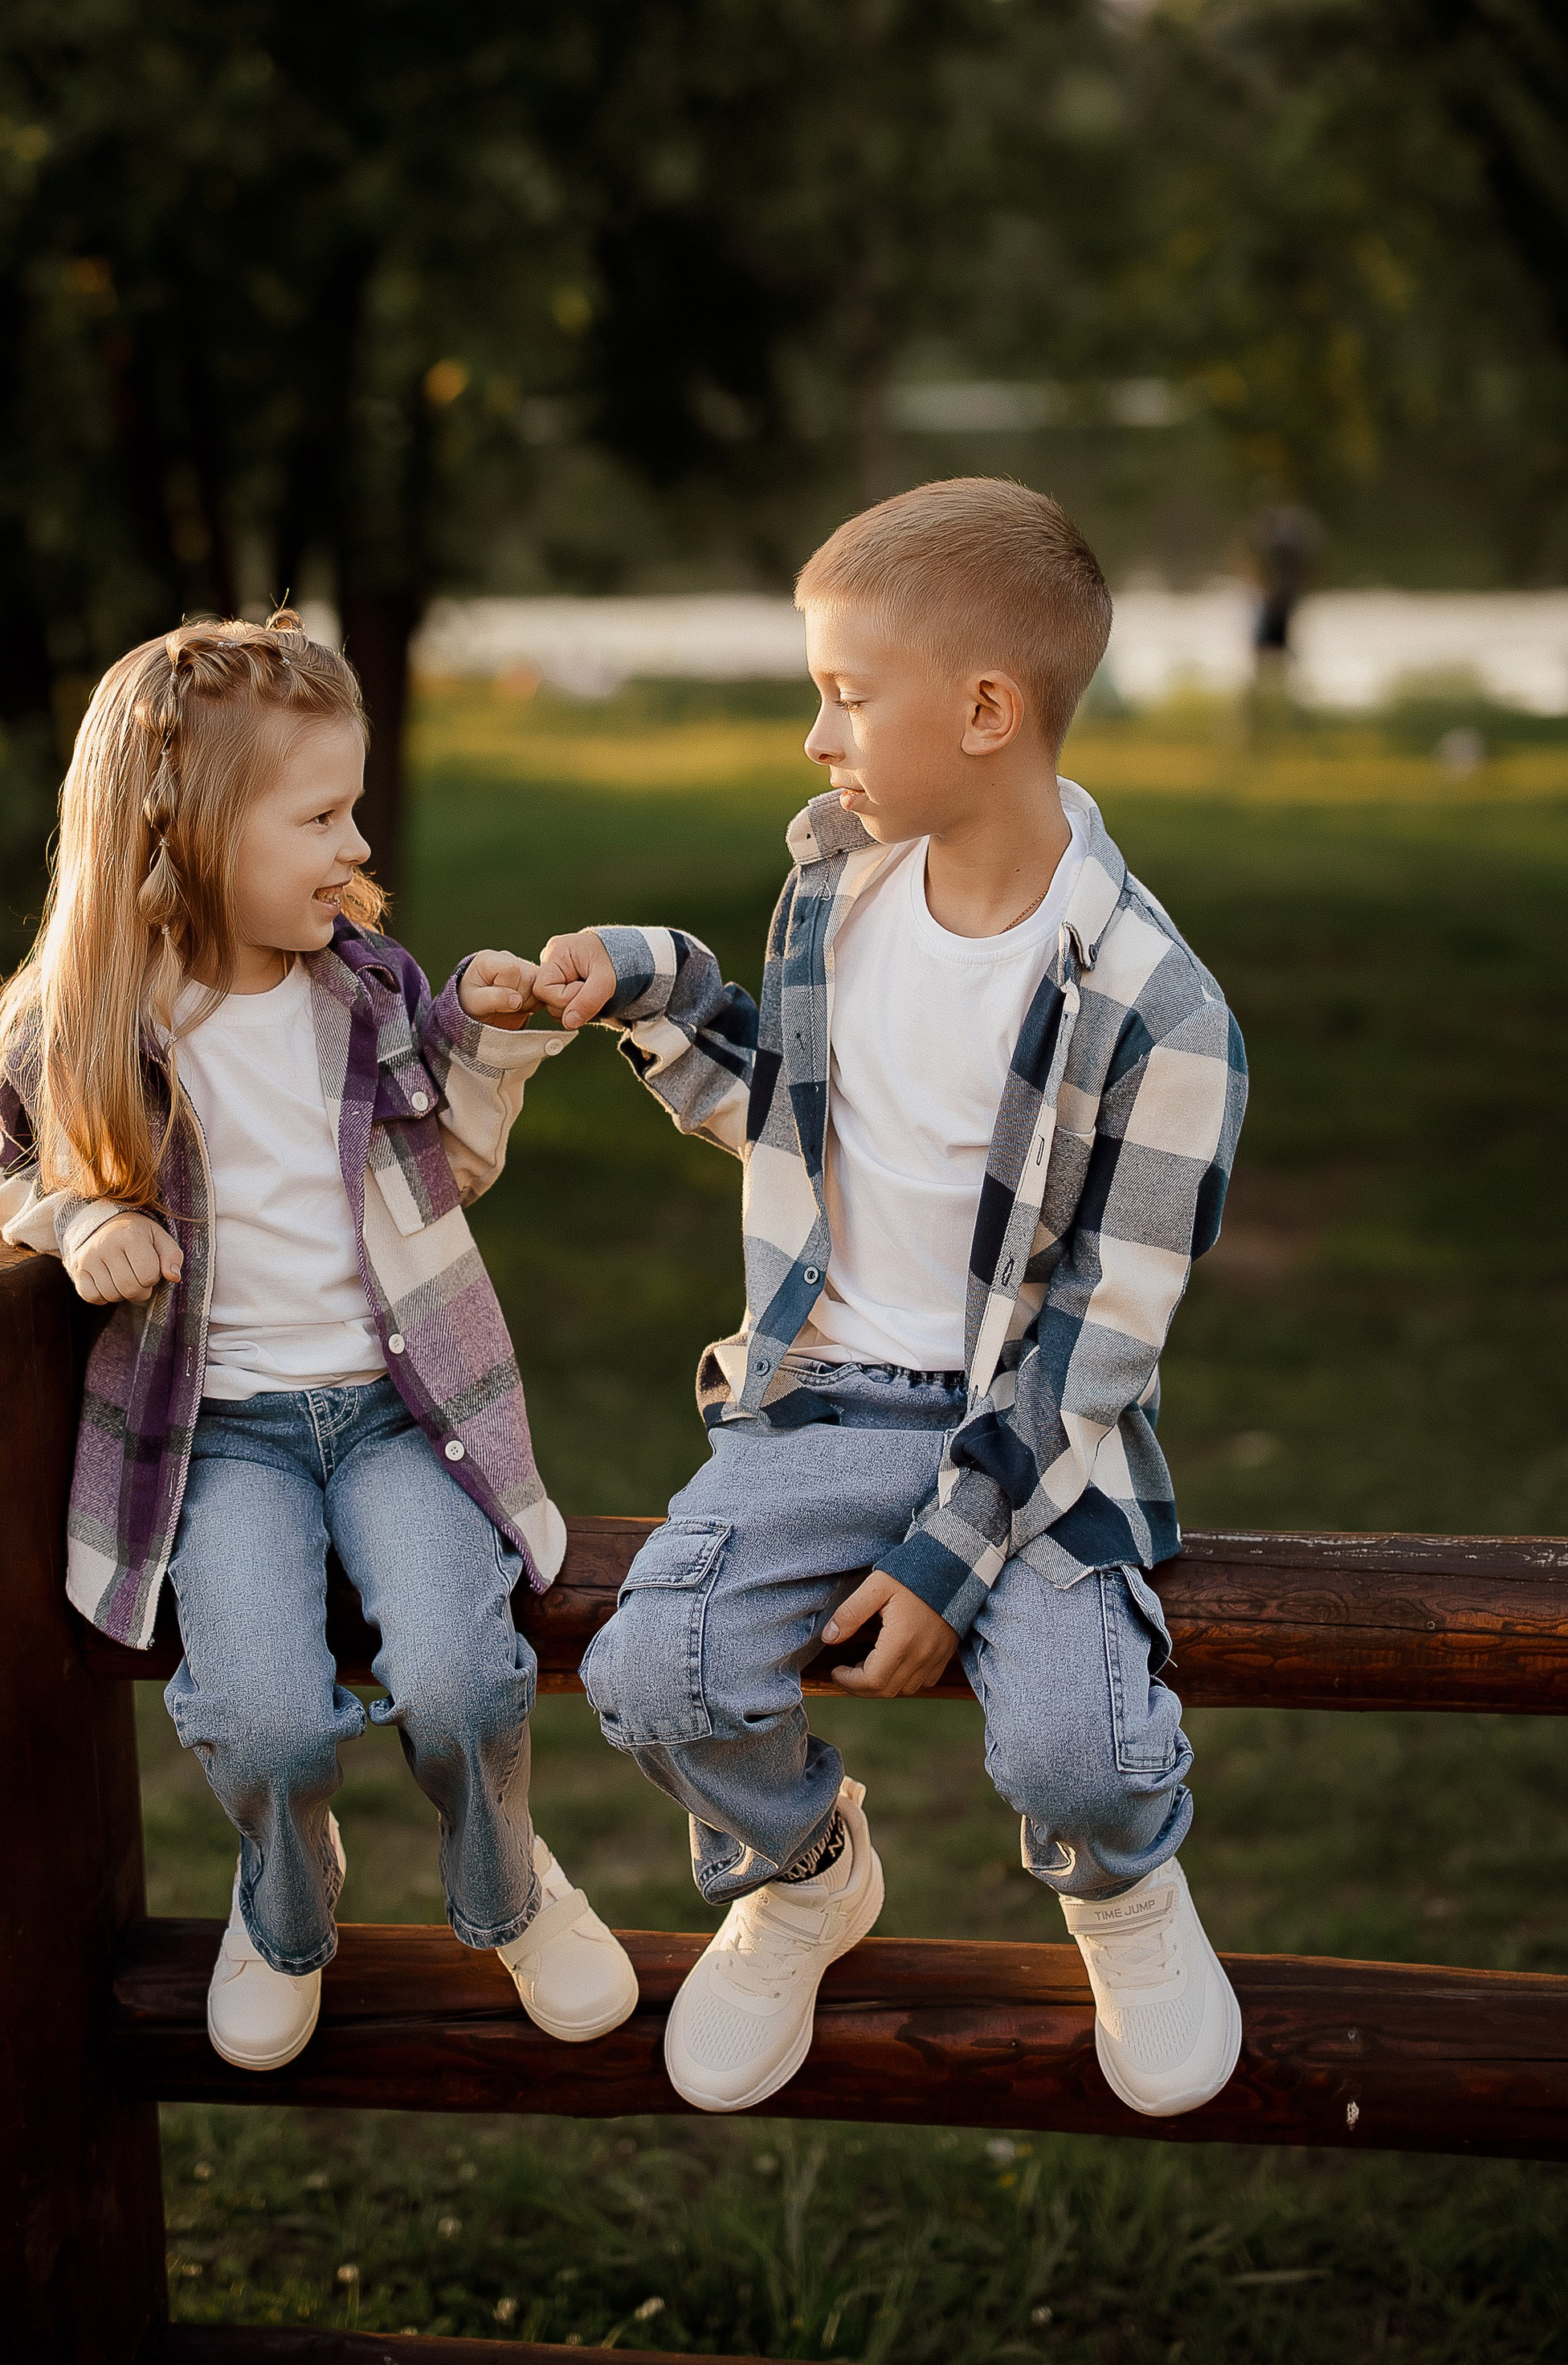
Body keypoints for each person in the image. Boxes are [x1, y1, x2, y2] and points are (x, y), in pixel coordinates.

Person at [532, 479, 1247, 2120]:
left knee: (1071, 1744)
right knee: (653, 1673)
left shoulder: (1160, 1014)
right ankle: (799, 1869)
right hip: (819, 1400)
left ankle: (1119, 1883)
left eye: (845, 695)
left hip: (1032, 1442)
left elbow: (1090, 1354)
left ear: (984, 709)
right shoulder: (833, 897)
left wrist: (946, 1560)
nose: (811, 737)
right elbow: (777, 1108)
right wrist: (626, 987)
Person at [0, 610, 636, 2071]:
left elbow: (448, 1164)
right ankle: (284, 1907)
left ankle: (511, 1889)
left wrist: (491, 1036)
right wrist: (84, 1225)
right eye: (319, 813)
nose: (353, 843)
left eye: (352, 806)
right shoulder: (84, 1023)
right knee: (268, 1720)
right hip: (222, 1440)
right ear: (190, 827)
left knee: (462, 1682)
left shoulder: (367, 991)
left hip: (405, 1414)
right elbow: (15, 1167)